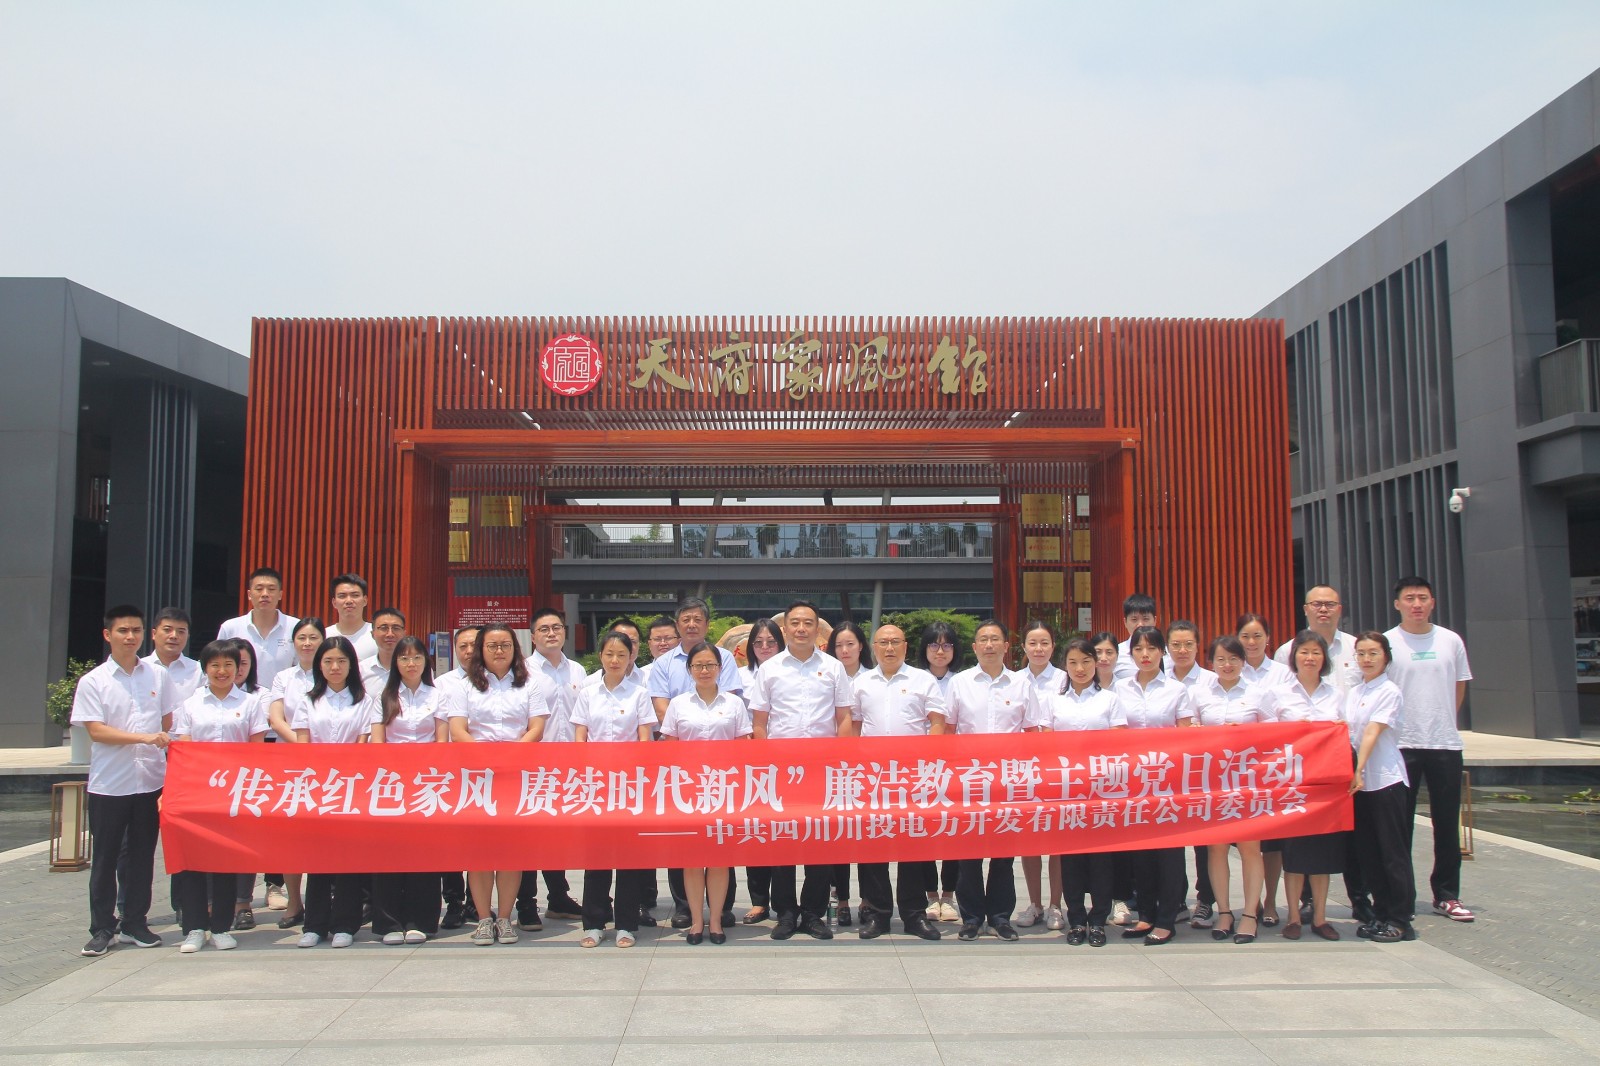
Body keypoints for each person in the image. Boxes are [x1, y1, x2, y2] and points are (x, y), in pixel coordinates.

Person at [73, 605, 180, 957]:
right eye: (123, 630)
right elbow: (97, 731)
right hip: (110, 785)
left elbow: (168, 720)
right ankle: (103, 928)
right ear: (108, 635)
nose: (130, 636)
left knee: (141, 857)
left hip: (149, 782)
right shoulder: (94, 681)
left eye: (136, 630)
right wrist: (144, 738)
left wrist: (157, 739)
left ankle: (135, 922)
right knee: (105, 859)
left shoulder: (157, 676)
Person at [749, 600, 854, 941]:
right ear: (785, 628)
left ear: (817, 628)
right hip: (781, 772)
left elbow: (843, 717)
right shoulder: (770, 669)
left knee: (820, 844)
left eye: (808, 622)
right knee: (782, 843)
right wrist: (766, 766)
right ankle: (785, 913)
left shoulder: (833, 667)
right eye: (795, 622)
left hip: (822, 771)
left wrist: (840, 762)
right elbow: (760, 721)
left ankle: (812, 913)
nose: (801, 629)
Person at [445, 624, 551, 946]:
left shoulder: (530, 684)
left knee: (510, 852)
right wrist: (487, 759)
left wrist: (509, 757)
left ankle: (504, 919)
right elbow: (458, 730)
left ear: (515, 648)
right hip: (477, 778)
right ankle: (483, 919)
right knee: (479, 853)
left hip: (516, 776)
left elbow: (536, 728)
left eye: (505, 644)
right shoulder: (464, 686)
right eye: (492, 646)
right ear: (481, 650)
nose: (499, 651)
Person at [945, 620, 1043, 942]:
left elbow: (1032, 732)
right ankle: (972, 918)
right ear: (975, 647)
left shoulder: (1021, 684)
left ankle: (1000, 917)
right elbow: (949, 731)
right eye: (983, 640)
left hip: (1008, 782)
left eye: (995, 639)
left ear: (1006, 646)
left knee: (1003, 854)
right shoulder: (959, 683)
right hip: (969, 780)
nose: (989, 645)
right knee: (968, 855)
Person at [1385, 576, 1475, 923]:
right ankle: (1401, 897)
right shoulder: (1387, 642)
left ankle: (1447, 895)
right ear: (1398, 604)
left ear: (1432, 602)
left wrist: (1443, 720)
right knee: (1400, 825)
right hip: (1401, 745)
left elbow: (1459, 687)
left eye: (1423, 598)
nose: (1417, 604)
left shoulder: (1450, 640)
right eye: (1409, 598)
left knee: (1447, 823)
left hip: (1444, 744)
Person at [649, 598, 743, 929]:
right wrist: (683, 724)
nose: (691, 624)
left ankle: (722, 908)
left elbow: (730, 704)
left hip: (722, 774)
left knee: (721, 840)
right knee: (684, 842)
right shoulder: (664, 663)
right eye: (685, 619)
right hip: (683, 769)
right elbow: (661, 706)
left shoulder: (725, 658)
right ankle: (684, 908)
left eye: (697, 619)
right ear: (677, 624)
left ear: (706, 623)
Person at [169, 640, 267, 952]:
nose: (222, 671)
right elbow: (183, 749)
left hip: (235, 792)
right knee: (193, 861)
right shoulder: (191, 704)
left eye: (228, 665)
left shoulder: (250, 703)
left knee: (226, 860)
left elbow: (257, 750)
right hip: (198, 791)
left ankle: (222, 926)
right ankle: (195, 928)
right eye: (215, 665)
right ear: (205, 669)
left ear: (238, 668)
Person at [850, 623, 945, 941]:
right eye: (883, 642)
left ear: (905, 646)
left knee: (913, 847)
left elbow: (937, 722)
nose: (889, 648)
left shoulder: (923, 679)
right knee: (873, 847)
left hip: (913, 776)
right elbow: (854, 726)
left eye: (895, 642)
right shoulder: (861, 683)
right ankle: (877, 914)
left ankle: (914, 914)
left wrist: (929, 764)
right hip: (872, 777)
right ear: (873, 647)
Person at [291, 635, 380, 948]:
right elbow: (302, 742)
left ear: (351, 665)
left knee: (348, 859)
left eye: (341, 661)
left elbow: (364, 742)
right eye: (328, 661)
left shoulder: (365, 701)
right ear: (319, 665)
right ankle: (314, 924)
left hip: (352, 786)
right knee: (318, 859)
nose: (335, 667)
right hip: (317, 786)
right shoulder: (308, 700)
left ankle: (345, 923)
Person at [661, 642, 753, 945]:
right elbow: (669, 747)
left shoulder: (734, 704)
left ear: (720, 668)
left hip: (724, 789)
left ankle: (715, 921)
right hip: (687, 790)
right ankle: (696, 922)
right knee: (691, 858)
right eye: (698, 665)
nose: (704, 670)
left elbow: (743, 747)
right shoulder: (678, 704)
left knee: (718, 858)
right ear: (689, 670)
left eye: (710, 665)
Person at [1038, 636, 1126, 947]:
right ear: (1065, 665)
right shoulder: (1053, 701)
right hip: (1066, 791)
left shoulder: (1110, 700)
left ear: (1096, 663)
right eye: (1073, 662)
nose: (1080, 668)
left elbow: (1118, 741)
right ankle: (1076, 919)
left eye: (1086, 662)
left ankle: (1098, 920)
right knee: (1070, 859)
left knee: (1101, 860)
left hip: (1101, 790)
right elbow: (1046, 742)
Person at [572, 630, 655, 948]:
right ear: (601, 656)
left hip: (629, 786)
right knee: (596, 857)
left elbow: (645, 739)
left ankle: (626, 925)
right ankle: (594, 923)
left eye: (621, 654)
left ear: (631, 657)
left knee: (628, 858)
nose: (615, 660)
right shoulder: (588, 693)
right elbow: (581, 737)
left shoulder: (639, 694)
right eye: (609, 654)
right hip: (595, 785)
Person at [1191, 635, 1275, 945]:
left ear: (1243, 661)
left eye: (1234, 659)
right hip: (1212, 782)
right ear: (1211, 663)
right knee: (1216, 848)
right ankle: (1224, 912)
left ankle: (1250, 914)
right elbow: (1188, 733)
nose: (1227, 665)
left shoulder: (1258, 693)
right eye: (1221, 659)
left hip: (1248, 783)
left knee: (1251, 848)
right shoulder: (1200, 694)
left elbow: (1275, 734)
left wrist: (1248, 733)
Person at [1113, 625, 1193, 945]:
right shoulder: (1120, 689)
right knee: (1141, 854)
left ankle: (1166, 919)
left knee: (1169, 855)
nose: (1145, 655)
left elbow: (1185, 734)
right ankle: (1146, 914)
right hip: (1134, 783)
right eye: (1138, 649)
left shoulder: (1176, 690)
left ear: (1163, 652)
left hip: (1167, 783)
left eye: (1152, 648)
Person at [1265, 630, 1347, 941]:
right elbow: (1266, 736)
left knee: (1322, 855)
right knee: (1295, 854)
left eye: (1316, 652)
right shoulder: (1280, 694)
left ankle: (1321, 918)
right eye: (1304, 652)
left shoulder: (1336, 694)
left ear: (1324, 658)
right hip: (1293, 784)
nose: (1310, 658)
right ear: (1294, 657)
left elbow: (1348, 733)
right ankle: (1294, 917)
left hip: (1326, 785)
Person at [369, 635, 447, 944]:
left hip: (427, 784)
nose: (411, 663)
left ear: (426, 661)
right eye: (404, 658)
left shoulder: (437, 695)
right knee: (389, 853)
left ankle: (421, 921)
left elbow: (441, 741)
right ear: (396, 663)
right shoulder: (384, 697)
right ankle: (388, 923)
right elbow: (378, 742)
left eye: (416, 657)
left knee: (424, 854)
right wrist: (396, 771)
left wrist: (424, 771)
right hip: (392, 784)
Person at [518, 607, 588, 930]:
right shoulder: (523, 671)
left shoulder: (577, 670)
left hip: (570, 766)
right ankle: (526, 903)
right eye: (544, 629)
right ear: (533, 636)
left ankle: (558, 897)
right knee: (530, 837)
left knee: (557, 835)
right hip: (533, 766)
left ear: (564, 632)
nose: (551, 633)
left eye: (556, 627)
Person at [1347, 631, 1417, 943]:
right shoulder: (1354, 692)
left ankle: (1401, 920)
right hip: (1360, 786)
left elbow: (1372, 732)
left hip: (1385, 780)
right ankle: (1381, 913)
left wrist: (1359, 769)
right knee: (1370, 853)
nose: (1367, 659)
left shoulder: (1389, 691)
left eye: (1373, 653)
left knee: (1393, 853)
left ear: (1386, 657)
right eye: (1361, 653)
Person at [263, 615, 325, 927]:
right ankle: (294, 902)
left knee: (323, 836)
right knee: (291, 836)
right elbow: (276, 719)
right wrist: (303, 746)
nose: (307, 643)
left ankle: (322, 902)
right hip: (290, 764)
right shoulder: (283, 678)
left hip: (327, 766)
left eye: (313, 638)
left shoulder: (333, 673)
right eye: (302, 638)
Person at [1237, 611, 1292, 925]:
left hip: (1270, 768)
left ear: (1268, 639)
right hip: (1238, 771)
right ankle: (1252, 901)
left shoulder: (1282, 673)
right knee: (1245, 842)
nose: (1251, 642)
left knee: (1271, 843)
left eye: (1257, 635)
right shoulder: (1231, 669)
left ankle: (1270, 902)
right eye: (1245, 636)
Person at [1166, 621, 1217, 930]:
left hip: (1202, 772)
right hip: (1168, 772)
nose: (1182, 650)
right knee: (1171, 839)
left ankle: (1206, 900)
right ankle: (1176, 900)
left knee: (1203, 840)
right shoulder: (1159, 678)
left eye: (1188, 644)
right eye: (1176, 645)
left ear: (1198, 646)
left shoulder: (1211, 680)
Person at [1016, 621, 1065, 931]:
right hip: (1024, 769)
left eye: (1044, 643)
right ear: (1023, 647)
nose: (1038, 649)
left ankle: (1056, 905)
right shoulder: (1014, 680)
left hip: (1059, 768)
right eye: (1032, 643)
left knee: (1057, 840)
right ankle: (1034, 903)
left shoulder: (1064, 679)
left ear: (1053, 646)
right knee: (1030, 839)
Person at [824, 619, 873, 927]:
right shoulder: (826, 675)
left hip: (867, 767)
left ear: (861, 646)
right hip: (835, 767)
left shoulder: (873, 678)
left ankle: (867, 900)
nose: (844, 650)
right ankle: (840, 900)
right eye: (838, 645)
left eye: (850, 644)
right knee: (838, 837)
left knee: (867, 837)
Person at [738, 617, 785, 924]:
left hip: (782, 762)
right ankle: (758, 901)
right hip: (748, 762)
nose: (765, 647)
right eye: (759, 642)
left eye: (771, 642)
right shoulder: (740, 676)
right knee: (755, 832)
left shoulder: (787, 672)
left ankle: (782, 900)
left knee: (780, 832)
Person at [434, 624, 479, 931]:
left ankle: (476, 902)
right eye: (462, 646)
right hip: (451, 771)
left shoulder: (493, 682)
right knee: (451, 843)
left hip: (485, 773)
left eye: (474, 645)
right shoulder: (442, 684)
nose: (469, 651)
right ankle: (454, 902)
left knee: (479, 841)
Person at [919, 620, 962, 923]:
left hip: (954, 767)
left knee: (952, 832)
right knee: (923, 833)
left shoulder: (962, 682)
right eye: (934, 644)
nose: (940, 651)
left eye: (947, 645)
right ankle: (930, 896)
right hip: (921, 768)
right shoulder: (915, 679)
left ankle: (948, 896)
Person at [1090, 630, 1134, 924]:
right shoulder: (1076, 688)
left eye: (1110, 653)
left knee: (1119, 843)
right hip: (1084, 778)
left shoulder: (1127, 688)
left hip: (1120, 775)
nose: (1104, 658)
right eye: (1098, 653)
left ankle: (1121, 900)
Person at [217, 567, 299, 690]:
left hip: (283, 699)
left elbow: (303, 668)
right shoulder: (230, 627)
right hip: (240, 699)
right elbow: (219, 666)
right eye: (259, 589)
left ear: (280, 595)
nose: (265, 594)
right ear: (249, 594)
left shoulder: (295, 627)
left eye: (271, 589)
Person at [1272, 584, 1359, 695]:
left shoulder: (1356, 648)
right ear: (1305, 609)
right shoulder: (1287, 651)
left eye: (1330, 604)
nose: (1323, 609)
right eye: (1316, 604)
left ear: (1339, 610)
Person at [143, 607, 201, 702]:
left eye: (181, 632)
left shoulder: (199, 672)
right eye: (167, 630)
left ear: (188, 636)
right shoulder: (139, 668)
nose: (174, 636)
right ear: (154, 634)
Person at [328, 573, 380, 661]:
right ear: (334, 602)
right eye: (342, 596)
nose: (349, 601)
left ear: (365, 600)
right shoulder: (324, 635)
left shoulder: (378, 635)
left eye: (355, 595)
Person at [360, 607, 407, 688]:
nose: (390, 634)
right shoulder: (361, 670)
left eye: (396, 628)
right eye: (384, 628)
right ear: (373, 634)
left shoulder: (417, 668)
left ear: (404, 634)